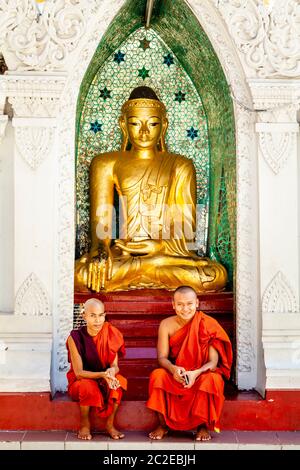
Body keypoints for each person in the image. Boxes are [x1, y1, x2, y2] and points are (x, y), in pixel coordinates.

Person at [75, 86, 227, 293]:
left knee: (215, 276)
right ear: (123, 125)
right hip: (124, 254)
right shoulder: (105, 163)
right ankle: (148, 269)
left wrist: (159, 248)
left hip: (166, 256)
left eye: (153, 123)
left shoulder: (180, 166)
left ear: (163, 125)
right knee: (80, 275)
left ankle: (146, 268)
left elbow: (185, 233)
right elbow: (101, 225)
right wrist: (100, 251)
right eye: (135, 123)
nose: (144, 131)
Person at [147, 285, 232, 441]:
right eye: (180, 304)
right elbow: (162, 358)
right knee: (157, 376)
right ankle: (163, 424)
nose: (185, 309)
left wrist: (196, 373)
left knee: (213, 379)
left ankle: (202, 426)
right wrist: (173, 369)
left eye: (189, 304)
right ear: (173, 304)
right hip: (177, 374)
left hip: (200, 374)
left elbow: (213, 363)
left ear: (197, 303)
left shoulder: (207, 324)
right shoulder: (166, 325)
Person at [66, 298, 127, 440]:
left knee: (118, 382)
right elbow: (79, 373)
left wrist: (111, 373)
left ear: (105, 315)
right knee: (88, 386)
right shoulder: (75, 338)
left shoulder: (111, 333)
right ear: (84, 316)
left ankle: (110, 425)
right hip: (81, 382)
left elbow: (115, 366)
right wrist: (103, 374)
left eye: (101, 315)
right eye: (92, 315)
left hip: (103, 378)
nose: (97, 320)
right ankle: (85, 424)